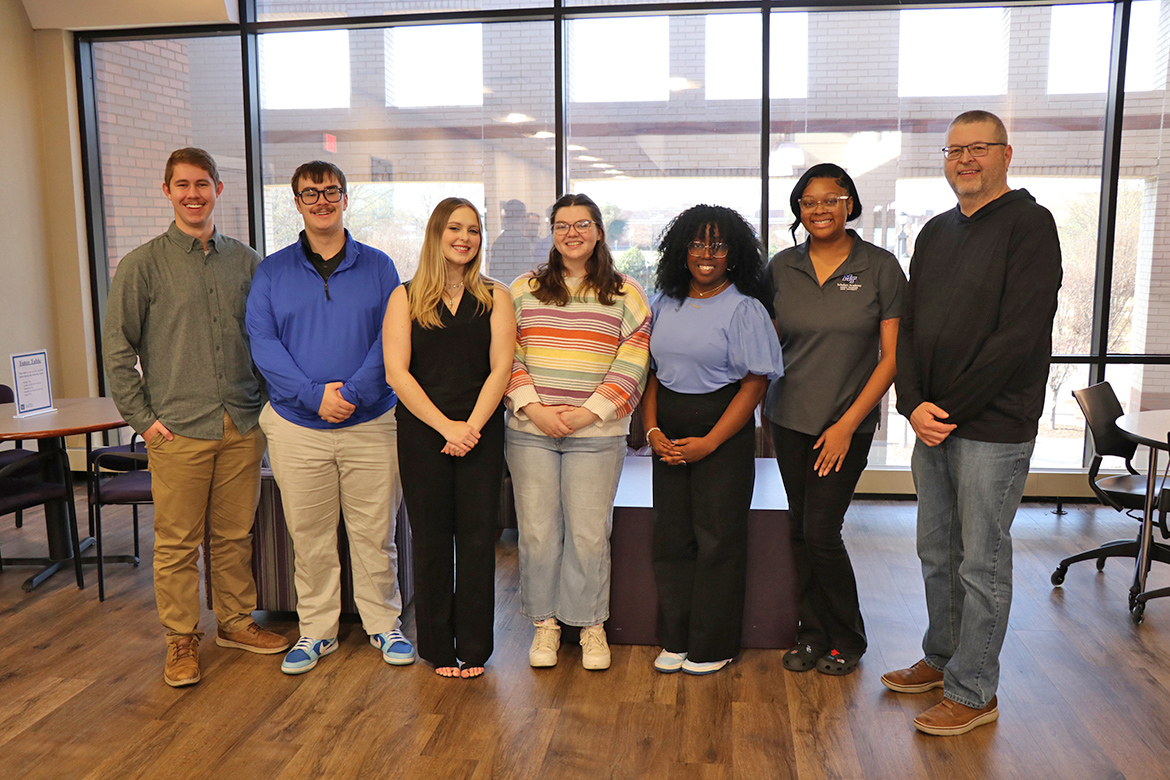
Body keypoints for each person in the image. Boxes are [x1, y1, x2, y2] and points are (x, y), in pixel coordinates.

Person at [883, 110, 1062, 735]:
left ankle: (974, 689)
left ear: (1005, 155)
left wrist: (947, 411)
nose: (965, 159)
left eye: (979, 148)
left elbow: (1018, 336)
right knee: (938, 551)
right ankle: (941, 660)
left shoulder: (1030, 226)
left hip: (993, 427)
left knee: (979, 562)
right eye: (955, 149)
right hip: (932, 422)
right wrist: (912, 404)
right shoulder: (934, 233)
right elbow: (906, 327)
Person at [104, 147, 288, 688]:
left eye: (202, 184)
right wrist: (143, 420)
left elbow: (265, 339)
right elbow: (117, 351)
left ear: (218, 190)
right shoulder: (141, 265)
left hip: (241, 424)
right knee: (178, 543)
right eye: (182, 185)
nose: (193, 194)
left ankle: (234, 622)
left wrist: (262, 407)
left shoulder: (248, 262)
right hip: (176, 427)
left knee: (235, 534)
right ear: (167, 191)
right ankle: (181, 639)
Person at [246, 160, 414, 676]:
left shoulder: (380, 267)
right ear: (296, 202)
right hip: (298, 426)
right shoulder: (272, 271)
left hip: (371, 423)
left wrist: (357, 392)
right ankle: (316, 632)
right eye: (310, 193)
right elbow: (263, 343)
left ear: (345, 198)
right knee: (310, 535)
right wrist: (314, 396)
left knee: (374, 533)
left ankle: (383, 624)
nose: (322, 200)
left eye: (331, 191)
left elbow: (388, 339)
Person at [765, 164, 907, 677]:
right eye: (808, 201)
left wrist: (848, 424)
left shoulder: (880, 267)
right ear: (798, 210)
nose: (819, 209)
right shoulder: (781, 267)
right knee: (800, 531)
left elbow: (891, 358)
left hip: (846, 423)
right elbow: (767, 339)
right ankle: (812, 634)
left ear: (849, 204)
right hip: (788, 417)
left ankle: (847, 636)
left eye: (831, 199)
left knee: (822, 531)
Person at [506, 193, 651, 671]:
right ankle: (545, 625)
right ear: (551, 233)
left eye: (582, 224)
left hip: (597, 434)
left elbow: (633, 361)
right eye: (562, 225)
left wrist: (589, 412)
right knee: (538, 534)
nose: (572, 233)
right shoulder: (523, 289)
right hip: (531, 429)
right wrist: (535, 408)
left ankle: (589, 625)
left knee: (589, 534)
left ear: (598, 231)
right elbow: (508, 356)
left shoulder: (626, 292)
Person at [642, 205, 782, 676]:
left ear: (734, 254)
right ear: (681, 250)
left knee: (718, 539)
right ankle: (676, 638)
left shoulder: (745, 307)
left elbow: (754, 385)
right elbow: (653, 377)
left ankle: (712, 644)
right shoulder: (664, 301)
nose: (707, 254)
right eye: (698, 244)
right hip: (669, 429)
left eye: (718, 246)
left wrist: (710, 442)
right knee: (672, 537)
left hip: (723, 429)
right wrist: (653, 430)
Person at [383, 198, 515, 679]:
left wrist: (472, 428)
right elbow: (397, 373)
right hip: (423, 433)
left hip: (481, 430)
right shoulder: (405, 296)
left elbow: (502, 366)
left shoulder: (496, 296)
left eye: (474, 230)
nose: (465, 237)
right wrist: (447, 428)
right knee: (433, 540)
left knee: (479, 540)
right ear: (437, 234)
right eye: (456, 228)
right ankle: (439, 647)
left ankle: (475, 648)